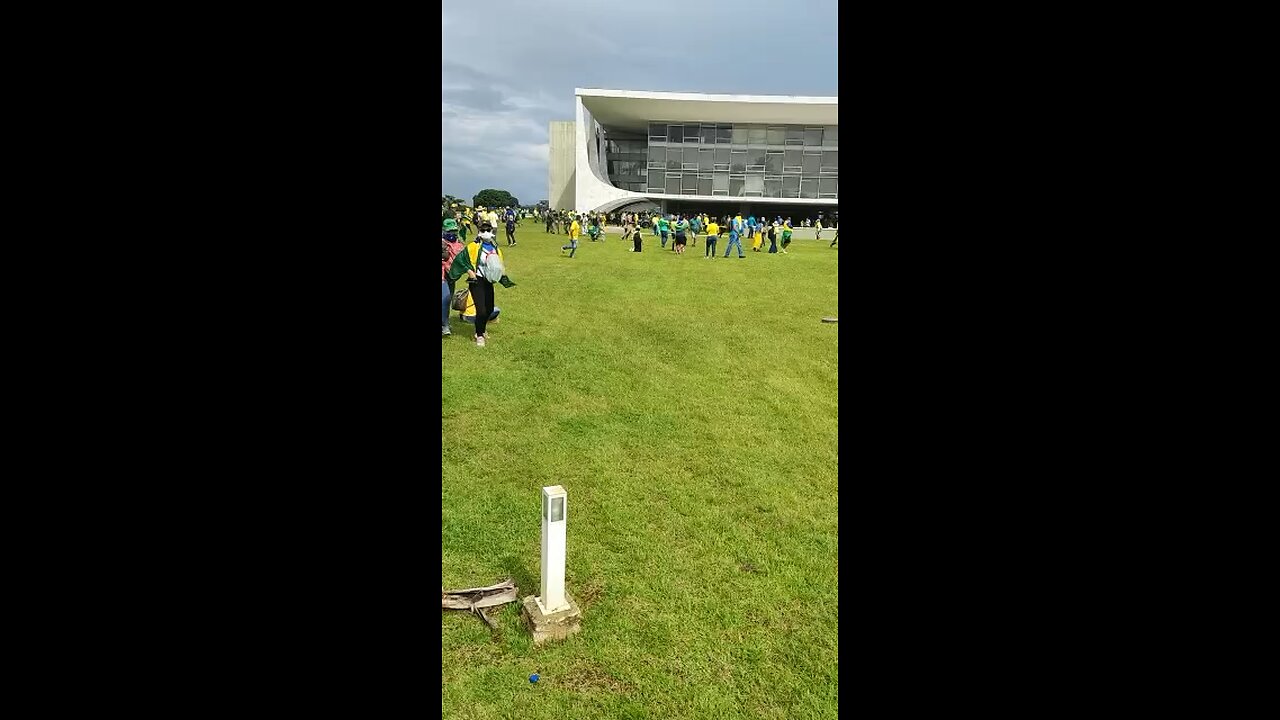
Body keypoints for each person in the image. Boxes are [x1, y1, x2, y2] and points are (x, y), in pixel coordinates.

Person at [446, 228, 515, 347]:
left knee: (489, 309)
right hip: (476, 281)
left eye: (489, 230)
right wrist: (469, 271)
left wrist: (501, 272)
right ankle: (479, 335)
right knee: (481, 309)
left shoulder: (495, 247)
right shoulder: (473, 246)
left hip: (489, 281)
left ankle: (481, 328)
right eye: (484, 230)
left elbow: (499, 262)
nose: (486, 232)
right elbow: (460, 260)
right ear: (479, 232)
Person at [442, 224, 463, 337]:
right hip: (443, 275)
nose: (453, 233)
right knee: (445, 298)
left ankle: (445, 322)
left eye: (455, 231)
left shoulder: (458, 244)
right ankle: (444, 326)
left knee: (448, 299)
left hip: (452, 276)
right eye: (450, 231)